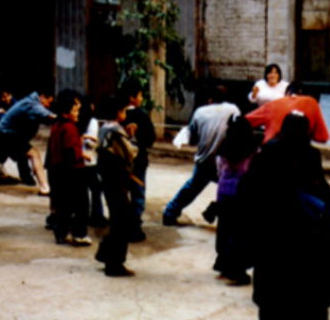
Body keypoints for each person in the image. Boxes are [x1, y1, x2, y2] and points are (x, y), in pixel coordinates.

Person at [239, 112, 330, 320]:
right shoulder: (311, 165)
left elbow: (245, 203)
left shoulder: (265, 160)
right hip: (310, 283)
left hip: (273, 278)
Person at [162, 87, 240, 226]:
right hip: (224, 161)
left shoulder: (200, 112)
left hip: (205, 160)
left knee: (192, 188)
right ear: (226, 99)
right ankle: (216, 209)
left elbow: (192, 139)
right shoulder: (233, 109)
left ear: (210, 100)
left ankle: (170, 212)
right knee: (233, 190)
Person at [95, 95, 139, 277]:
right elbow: (131, 153)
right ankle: (114, 262)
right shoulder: (117, 131)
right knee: (122, 220)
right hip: (117, 177)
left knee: (117, 217)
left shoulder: (104, 128)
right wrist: (133, 137)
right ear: (119, 113)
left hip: (106, 177)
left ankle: (106, 254)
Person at [0, 87, 56, 195]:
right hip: (6, 135)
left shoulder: (29, 102)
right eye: (48, 102)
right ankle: (45, 188)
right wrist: (63, 117)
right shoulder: (32, 104)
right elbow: (45, 113)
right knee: (34, 154)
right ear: (42, 97)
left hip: (4, 135)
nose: (48, 106)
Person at [213, 115, 258, 285]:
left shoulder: (224, 149)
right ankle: (235, 266)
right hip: (243, 193)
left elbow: (219, 170)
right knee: (239, 231)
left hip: (224, 191)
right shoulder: (253, 150)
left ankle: (222, 261)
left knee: (223, 228)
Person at [47, 91, 91, 246]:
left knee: (62, 206)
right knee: (81, 205)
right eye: (75, 110)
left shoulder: (57, 126)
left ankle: (61, 232)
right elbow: (70, 150)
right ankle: (79, 234)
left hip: (58, 171)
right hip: (73, 171)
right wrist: (83, 155)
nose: (77, 112)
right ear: (65, 112)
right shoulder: (70, 128)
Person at [122, 80, 156, 242]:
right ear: (132, 97)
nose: (142, 98)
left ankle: (123, 223)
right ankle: (134, 226)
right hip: (138, 161)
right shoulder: (141, 115)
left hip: (120, 161)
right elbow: (150, 138)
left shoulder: (119, 114)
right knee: (138, 194)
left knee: (122, 193)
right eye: (141, 95)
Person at [246, 81, 330, 145]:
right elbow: (323, 137)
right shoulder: (312, 103)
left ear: (288, 93)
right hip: (301, 152)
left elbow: (244, 121)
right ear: (302, 93)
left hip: (273, 150)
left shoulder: (273, 105)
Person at [78, 95, 108, 228]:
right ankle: (97, 215)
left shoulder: (77, 119)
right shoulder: (93, 121)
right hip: (90, 160)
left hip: (79, 159)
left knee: (82, 189)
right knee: (96, 188)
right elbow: (91, 142)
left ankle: (82, 214)